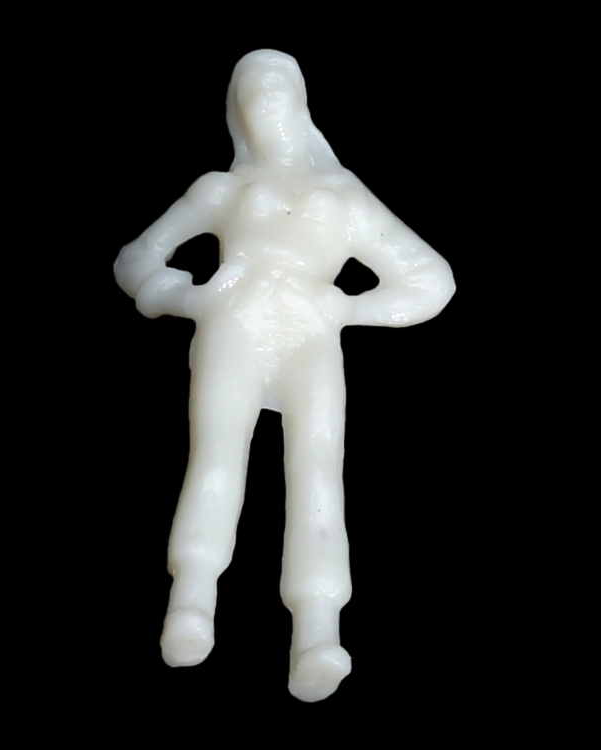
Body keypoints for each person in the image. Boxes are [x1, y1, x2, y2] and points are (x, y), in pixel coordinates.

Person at [114, 49, 455, 701]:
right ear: (237, 108)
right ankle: (191, 605)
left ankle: (318, 635)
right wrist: (187, 296)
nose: (266, 99)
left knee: (318, 468)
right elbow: (136, 259)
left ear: (300, 100)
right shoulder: (224, 189)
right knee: (216, 457)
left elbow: (430, 278)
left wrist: (346, 307)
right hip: (235, 327)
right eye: (252, 90)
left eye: (278, 86)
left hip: (309, 335)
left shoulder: (341, 195)